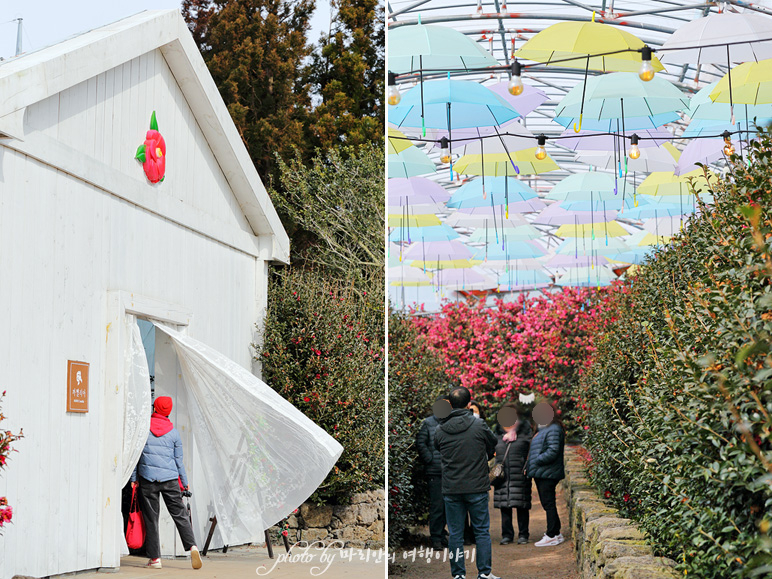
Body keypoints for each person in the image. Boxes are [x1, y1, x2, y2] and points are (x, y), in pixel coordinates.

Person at [434, 386, 500, 579]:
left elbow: (437, 447)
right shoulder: (478, 425)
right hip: (476, 486)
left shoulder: (440, 429)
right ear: (469, 404)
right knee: (481, 531)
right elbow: (493, 442)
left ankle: (458, 575)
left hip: (451, 487)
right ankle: (484, 573)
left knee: (455, 534)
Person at [130, 396, 203, 570]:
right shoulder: (174, 433)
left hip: (148, 479)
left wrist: (134, 479)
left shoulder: (143, 429)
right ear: (168, 411)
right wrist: (184, 484)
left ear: (155, 408)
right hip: (170, 479)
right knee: (180, 514)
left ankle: (155, 559)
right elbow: (179, 462)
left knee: (151, 519)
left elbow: (136, 456)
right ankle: (192, 546)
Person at [525, 402, 566, 548]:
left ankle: (551, 535)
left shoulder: (553, 429)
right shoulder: (544, 428)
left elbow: (553, 451)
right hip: (543, 472)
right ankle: (556, 533)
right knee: (548, 503)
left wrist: (536, 460)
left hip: (547, 473)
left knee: (548, 504)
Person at [492, 403, 532, 545]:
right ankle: (507, 535)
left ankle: (523, 534)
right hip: (502, 477)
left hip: (520, 475)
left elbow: (531, 452)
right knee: (505, 507)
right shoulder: (496, 435)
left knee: (521, 506)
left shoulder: (525, 434)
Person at [416, 394, 451, 550]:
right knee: (437, 505)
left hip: (450, 470)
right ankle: (436, 537)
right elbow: (420, 443)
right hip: (434, 471)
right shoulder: (428, 423)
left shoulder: (451, 422)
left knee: (447, 505)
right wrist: (429, 459)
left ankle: (442, 534)